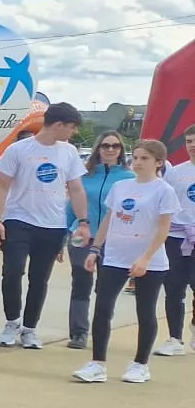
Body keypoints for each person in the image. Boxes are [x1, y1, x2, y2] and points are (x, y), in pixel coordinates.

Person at [76, 140, 177, 384]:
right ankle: (97, 363)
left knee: (145, 310)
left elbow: (164, 229)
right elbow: (109, 220)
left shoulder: (164, 190)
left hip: (149, 260)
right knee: (102, 308)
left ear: (159, 162)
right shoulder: (121, 187)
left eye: (145, 159)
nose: (138, 162)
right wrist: (95, 249)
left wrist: (145, 258)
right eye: (137, 158)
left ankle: (140, 364)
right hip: (115, 257)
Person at [0, 103, 91, 348]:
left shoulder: (68, 153)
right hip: (19, 220)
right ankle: (12, 321)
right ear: (58, 125)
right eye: (71, 127)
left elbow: (76, 189)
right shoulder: (19, 150)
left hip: (52, 224)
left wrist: (83, 222)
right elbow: (2, 187)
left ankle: (29, 328)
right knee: (13, 271)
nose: (73, 133)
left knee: (40, 278)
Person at [66, 134, 134, 349]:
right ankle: (78, 333)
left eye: (115, 146)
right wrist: (61, 237)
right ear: (98, 149)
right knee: (81, 284)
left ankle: (100, 330)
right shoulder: (84, 176)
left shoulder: (128, 178)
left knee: (106, 289)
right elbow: (71, 207)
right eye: (105, 145)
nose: (110, 149)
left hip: (113, 239)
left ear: (122, 150)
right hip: (82, 236)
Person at [156, 135, 195, 357]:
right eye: (189, 141)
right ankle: (175, 338)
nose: (193, 145)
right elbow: (164, 204)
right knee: (174, 288)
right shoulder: (175, 173)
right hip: (176, 237)